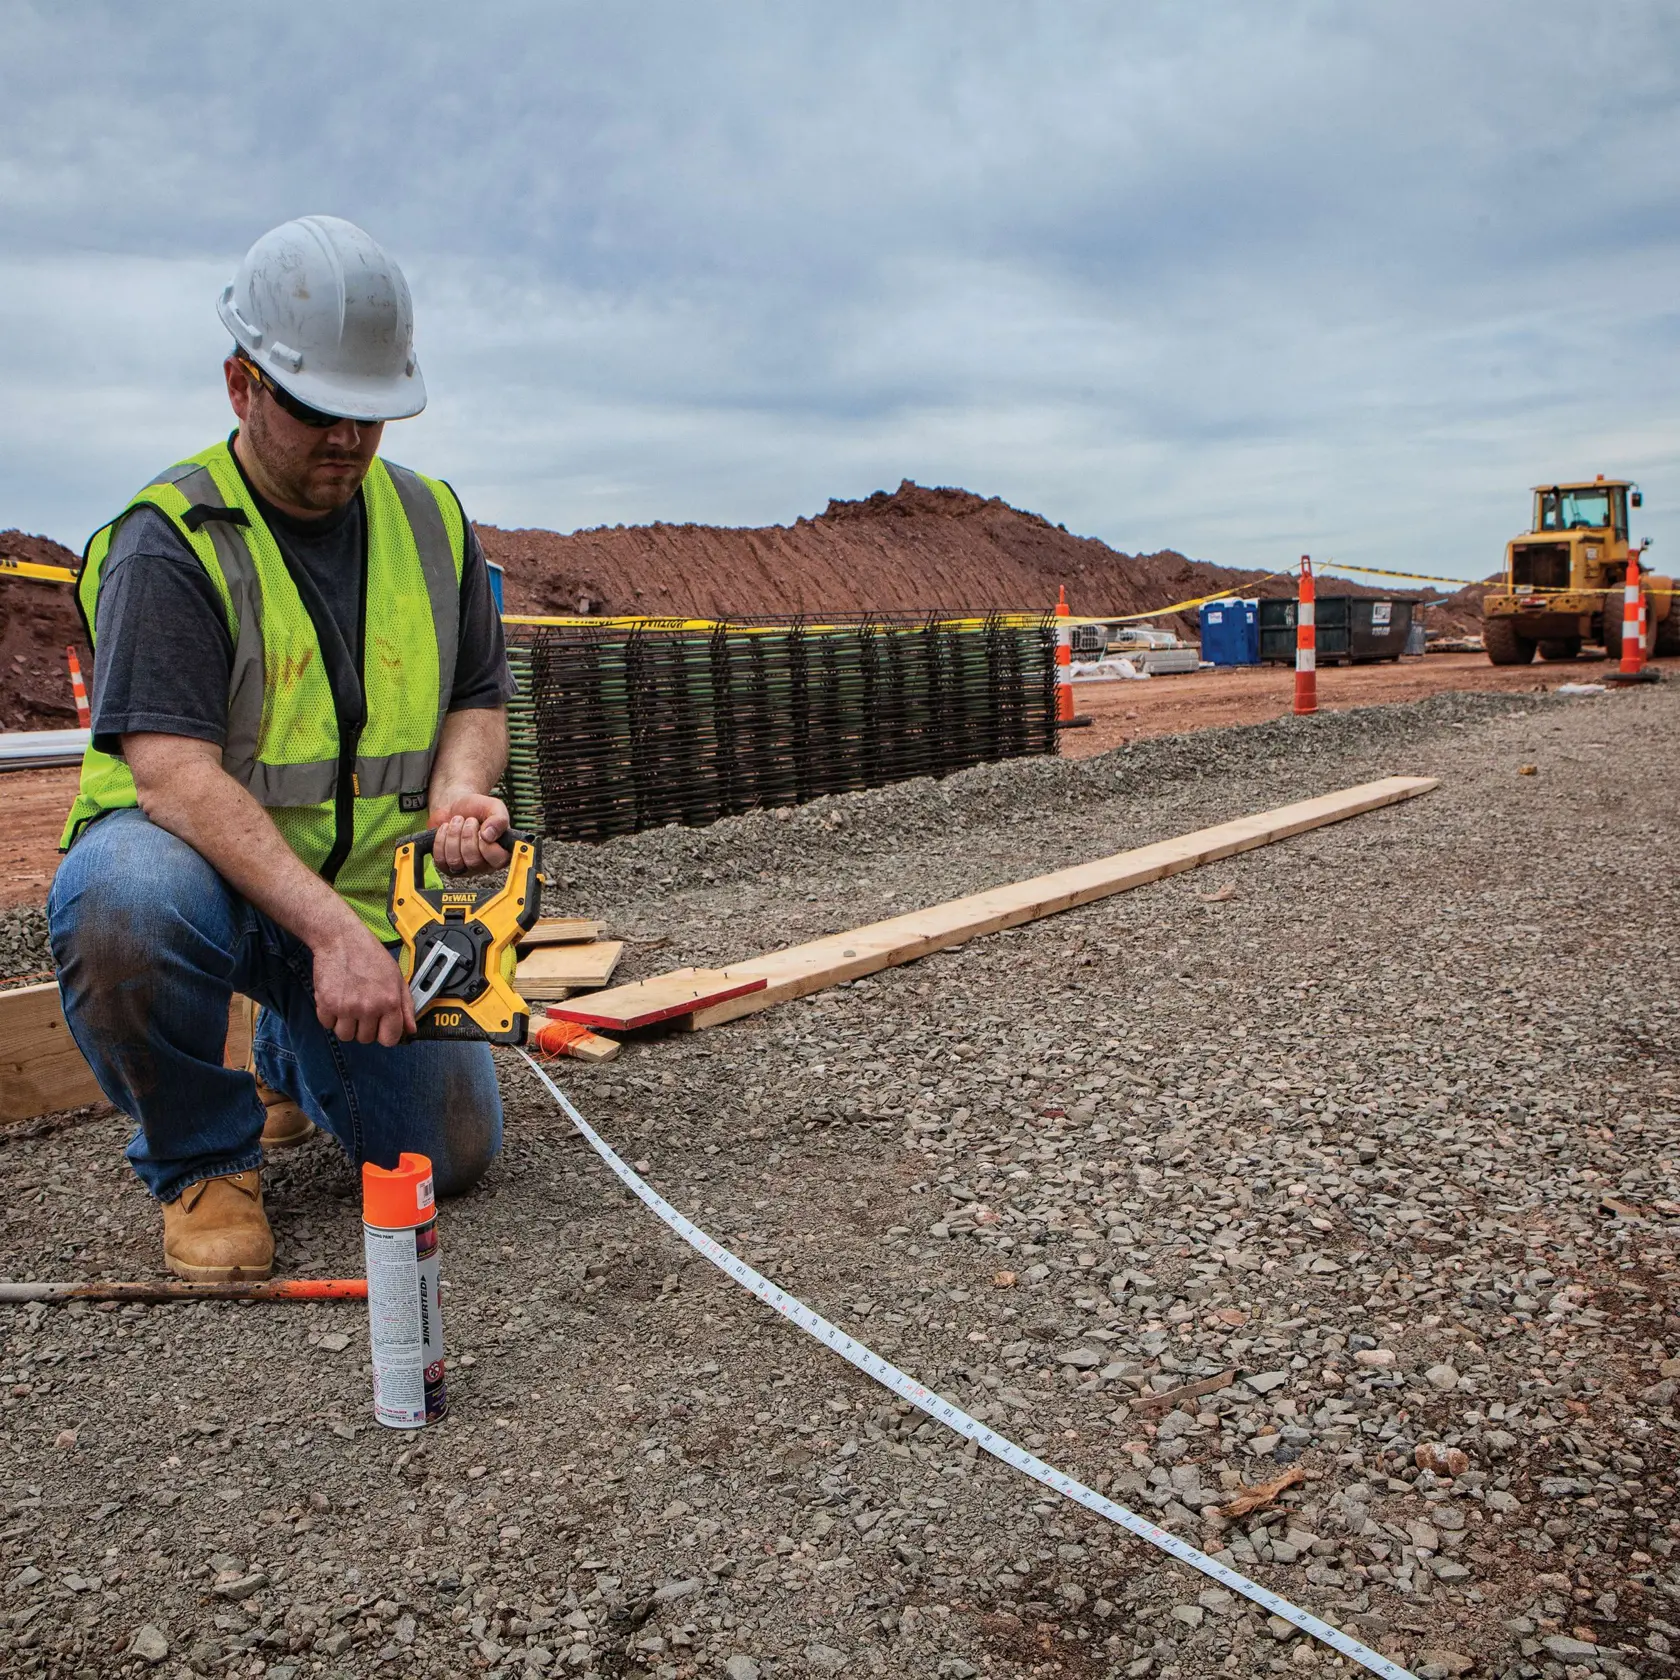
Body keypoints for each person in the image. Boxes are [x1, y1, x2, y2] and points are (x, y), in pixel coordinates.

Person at [47, 215, 517, 1281]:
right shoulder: (169, 542)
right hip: (198, 877)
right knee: (120, 897)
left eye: (371, 416)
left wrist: (456, 796)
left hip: (352, 899)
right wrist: (329, 940)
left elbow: (477, 700)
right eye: (317, 412)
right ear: (240, 384)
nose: (346, 441)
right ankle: (200, 1156)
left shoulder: (433, 522)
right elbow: (169, 774)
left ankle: (279, 1054)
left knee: (453, 1154)